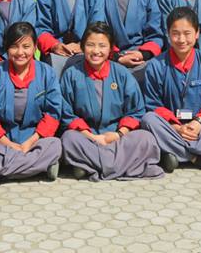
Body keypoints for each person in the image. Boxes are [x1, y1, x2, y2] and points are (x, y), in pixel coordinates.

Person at [59, 21, 164, 182]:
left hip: (117, 138)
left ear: (110, 49)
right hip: (87, 138)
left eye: (102, 46)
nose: (96, 51)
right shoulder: (71, 74)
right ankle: (125, 167)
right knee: (68, 139)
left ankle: (91, 166)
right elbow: (66, 114)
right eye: (90, 45)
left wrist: (117, 134)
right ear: (83, 47)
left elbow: (136, 111)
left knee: (146, 138)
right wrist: (93, 137)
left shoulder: (122, 74)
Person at [141, 7, 201, 173]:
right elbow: (153, 104)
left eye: (187, 33)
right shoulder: (155, 65)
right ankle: (200, 158)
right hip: (171, 127)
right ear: (168, 33)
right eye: (175, 33)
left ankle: (177, 153)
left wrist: (198, 122)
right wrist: (177, 128)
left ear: (197, 33)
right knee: (149, 120)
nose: (181, 39)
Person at [0, 21, 63, 184]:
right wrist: (9, 144)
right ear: (6, 48)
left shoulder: (47, 73)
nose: (20, 52)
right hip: (3, 140)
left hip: (35, 139)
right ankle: (39, 168)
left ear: (35, 47)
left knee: (55, 145)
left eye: (26, 46)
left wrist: (30, 142)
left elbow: (53, 114)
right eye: (14, 47)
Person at [101, 0, 165, 83]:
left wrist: (142, 54)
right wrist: (117, 57)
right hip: (111, 59)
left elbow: (156, 34)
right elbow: (99, 35)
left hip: (144, 60)